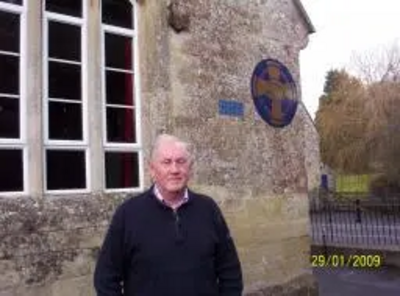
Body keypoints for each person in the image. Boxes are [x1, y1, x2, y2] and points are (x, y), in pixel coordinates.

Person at [94, 134, 243, 296]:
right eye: (166, 162)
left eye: (181, 162)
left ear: (189, 168)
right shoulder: (128, 214)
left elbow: (230, 272)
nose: (174, 170)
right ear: (152, 169)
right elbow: (105, 278)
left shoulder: (208, 209)